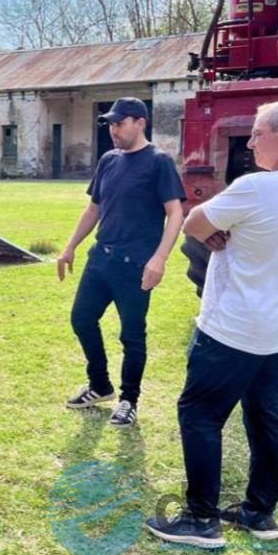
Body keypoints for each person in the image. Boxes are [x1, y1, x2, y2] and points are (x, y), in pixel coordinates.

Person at [146, 100, 278, 549]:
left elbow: (192, 220)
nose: (249, 143)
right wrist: (213, 228)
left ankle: (201, 519)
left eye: (256, 133)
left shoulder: (259, 188)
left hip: (235, 325)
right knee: (266, 419)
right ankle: (258, 512)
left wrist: (209, 228)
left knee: (200, 414)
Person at [57, 97, 185, 427]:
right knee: (82, 319)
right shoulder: (108, 160)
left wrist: (160, 258)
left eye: (120, 123)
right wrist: (70, 246)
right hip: (101, 259)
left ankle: (130, 399)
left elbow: (175, 213)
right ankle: (100, 385)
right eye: (111, 124)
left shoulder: (159, 162)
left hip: (136, 265)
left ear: (140, 122)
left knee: (132, 336)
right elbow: (93, 209)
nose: (114, 129)